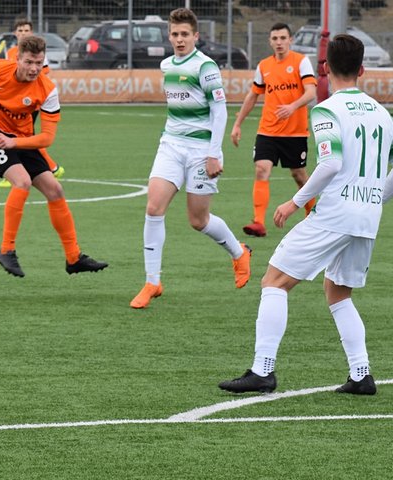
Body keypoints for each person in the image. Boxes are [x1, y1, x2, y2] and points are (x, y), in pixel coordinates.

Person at [219, 34, 393, 395]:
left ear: (326, 69)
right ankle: (361, 374)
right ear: (362, 69)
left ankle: (262, 370)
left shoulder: (327, 109)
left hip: (336, 212)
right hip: (366, 216)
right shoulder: (382, 113)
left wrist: (294, 202)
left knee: (274, 281)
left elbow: (330, 164)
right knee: (338, 291)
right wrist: (374, 200)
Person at [0, 36, 108, 278]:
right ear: (17, 59)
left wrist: (15, 142)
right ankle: (6, 251)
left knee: (55, 190)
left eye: (38, 62)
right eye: (28, 62)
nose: (34, 68)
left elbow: (47, 138)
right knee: (22, 181)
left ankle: (73, 257)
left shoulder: (47, 90)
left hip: (20, 140)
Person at [130, 8, 251, 309]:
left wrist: (214, 153)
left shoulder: (206, 67)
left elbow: (219, 111)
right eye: (175, 34)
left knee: (198, 220)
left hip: (200, 150)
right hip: (170, 145)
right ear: (169, 35)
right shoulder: (166, 64)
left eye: (185, 34)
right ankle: (152, 281)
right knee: (154, 206)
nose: (180, 39)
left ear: (196, 36)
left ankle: (239, 253)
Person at [230, 23, 318, 238]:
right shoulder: (264, 66)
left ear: (290, 40)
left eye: (282, 38)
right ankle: (258, 222)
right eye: (275, 38)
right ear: (270, 41)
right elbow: (253, 95)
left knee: (299, 176)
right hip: (268, 130)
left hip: (295, 133)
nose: (279, 42)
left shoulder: (301, 62)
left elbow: (311, 92)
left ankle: (313, 216)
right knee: (261, 169)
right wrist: (237, 123)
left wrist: (292, 106)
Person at [0, 18, 64, 188]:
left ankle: (13, 171)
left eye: (26, 30)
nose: (23, 33)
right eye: (20, 30)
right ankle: (52, 168)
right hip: (14, 100)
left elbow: (44, 72)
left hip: (30, 100)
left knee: (23, 136)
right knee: (24, 136)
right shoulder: (11, 52)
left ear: (31, 32)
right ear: (15, 33)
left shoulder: (37, 52)